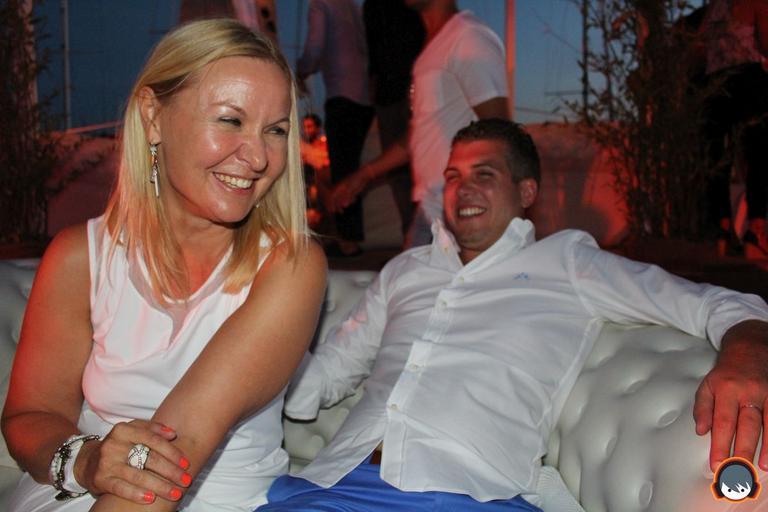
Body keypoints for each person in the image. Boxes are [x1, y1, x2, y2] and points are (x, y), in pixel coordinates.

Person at [258, 119, 768, 511]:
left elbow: (714, 303)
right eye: (453, 177)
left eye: (485, 175)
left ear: (526, 193)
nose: (463, 189)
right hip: (335, 488)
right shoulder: (405, 270)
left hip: (467, 494)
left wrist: (747, 350)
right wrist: (255, 321)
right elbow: (319, 382)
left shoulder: (566, 262)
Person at [2, 19, 327, 512]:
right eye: (230, 120)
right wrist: (86, 461)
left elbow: (172, 453)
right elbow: (31, 414)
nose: (258, 156)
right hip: (77, 493)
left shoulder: (290, 265)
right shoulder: (79, 257)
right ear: (153, 117)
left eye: (275, 130)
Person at [333, 0, 509, 248]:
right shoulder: (432, 47)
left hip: (459, 210)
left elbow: (499, 131)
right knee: (406, 272)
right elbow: (418, 133)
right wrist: (365, 175)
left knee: (408, 272)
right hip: (431, 207)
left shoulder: (468, 37)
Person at [297, 0, 375, 257]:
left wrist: (301, 71)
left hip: (342, 95)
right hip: (366, 98)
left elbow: (315, 46)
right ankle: (349, 236)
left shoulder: (321, 3)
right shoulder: (353, 6)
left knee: (342, 169)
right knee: (351, 166)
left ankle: (347, 240)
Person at [700, 0, 768, 258]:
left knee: (717, 156)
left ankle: (722, 228)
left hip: (715, 83)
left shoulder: (715, 7)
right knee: (758, 153)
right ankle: (755, 230)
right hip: (747, 78)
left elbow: (699, 45)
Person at [362, 0, 425, 238]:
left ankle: (423, 232)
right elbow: (373, 49)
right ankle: (411, 233)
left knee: (418, 163)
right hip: (386, 93)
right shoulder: (371, 5)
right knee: (397, 171)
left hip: (413, 88)